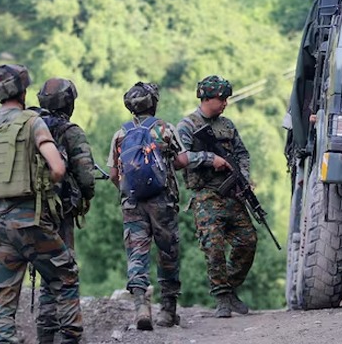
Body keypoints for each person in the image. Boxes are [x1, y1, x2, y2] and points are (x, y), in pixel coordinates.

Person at [0, 65, 82, 343]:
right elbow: (57, 167)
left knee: (4, 296)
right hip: (31, 220)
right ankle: (69, 339)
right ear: (24, 89)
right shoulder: (32, 121)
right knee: (65, 276)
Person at [107, 82, 189, 330]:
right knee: (168, 252)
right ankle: (167, 311)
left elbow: (113, 173)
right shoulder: (164, 129)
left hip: (132, 203)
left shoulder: (120, 134)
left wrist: (128, 189)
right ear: (153, 103)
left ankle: (141, 306)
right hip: (162, 201)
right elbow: (183, 160)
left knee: (137, 253)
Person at [176, 75, 257, 318]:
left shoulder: (227, 126)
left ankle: (230, 288)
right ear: (206, 98)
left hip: (232, 193)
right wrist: (212, 159)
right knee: (214, 246)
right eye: (221, 99)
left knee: (248, 241)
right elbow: (180, 158)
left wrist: (243, 176)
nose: (225, 104)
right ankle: (222, 297)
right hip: (205, 196)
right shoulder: (187, 126)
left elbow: (242, 153)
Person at [33, 78, 96, 343]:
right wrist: (85, 196)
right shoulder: (70, 131)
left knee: (47, 274)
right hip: (58, 215)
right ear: (68, 103)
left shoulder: (27, 127)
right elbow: (86, 177)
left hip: (24, 213)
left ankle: (45, 336)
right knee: (64, 272)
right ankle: (68, 336)